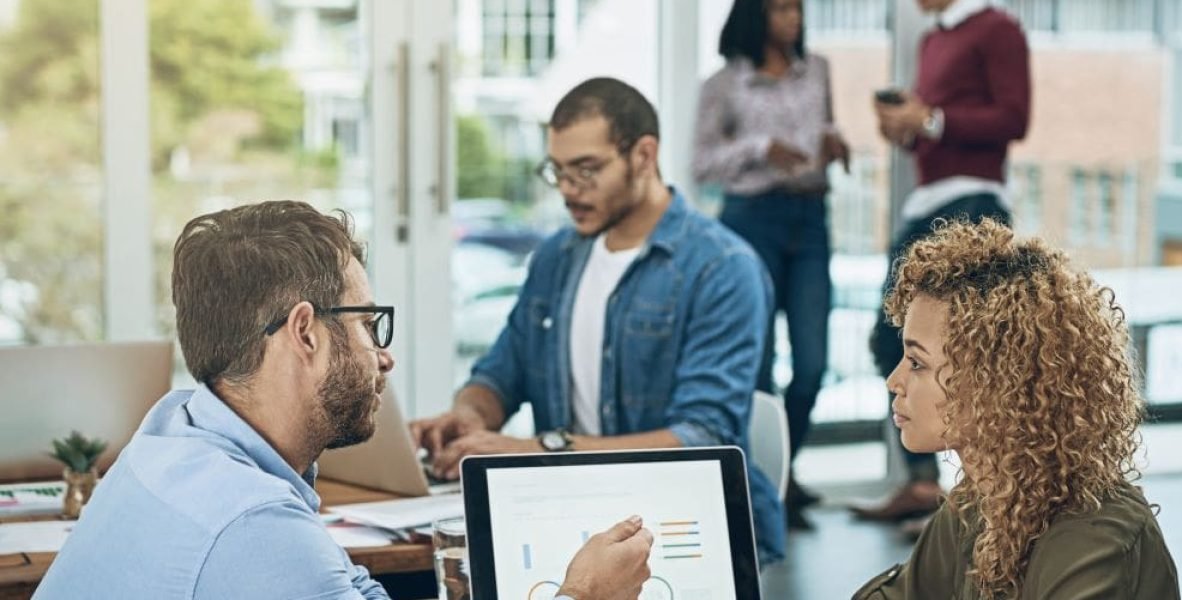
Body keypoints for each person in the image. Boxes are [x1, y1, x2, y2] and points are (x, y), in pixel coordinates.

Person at [34, 201, 652, 600]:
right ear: (305, 332)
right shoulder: (254, 528)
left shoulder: (172, 432)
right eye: (368, 323)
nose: (384, 355)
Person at [410, 77, 787, 565]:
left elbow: (702, 438)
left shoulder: (722, 266)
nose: (569, 190)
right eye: (558, 171)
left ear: (644, 156)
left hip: (684, 531)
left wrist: (541, 450)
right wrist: (471, 414)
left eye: (587, 170)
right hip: (568, 520)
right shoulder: (556, 258)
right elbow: (501, 373)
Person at [853, 219, 1180, 599]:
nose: (895, 381)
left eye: (917, 362)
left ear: (996, 382)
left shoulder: (1094, 541)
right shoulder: (978, 503)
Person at [855, 0, 1031, 527]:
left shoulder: (998, 29)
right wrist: (909, 125)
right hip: (927, 204)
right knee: (891, 339)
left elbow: (1014, 119)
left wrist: (928, 119)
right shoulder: (932, 40)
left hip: (973, 202)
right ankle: (926, 484)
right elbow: (937, 125)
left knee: (967, 351)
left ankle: (988, 493)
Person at [692, 0, 850, 530]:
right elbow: (701, 161)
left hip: (810, 220)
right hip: (750, 220)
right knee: (758, 369)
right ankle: (765, 487)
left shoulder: (820, 70)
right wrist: (761, 147)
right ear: (756, 15)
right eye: (783, 8)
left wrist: (832, 143)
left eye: (799, 9)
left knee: (811, 364)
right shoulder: (723, 84)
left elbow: (825, 129)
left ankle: (784, 469)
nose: (795, 19)